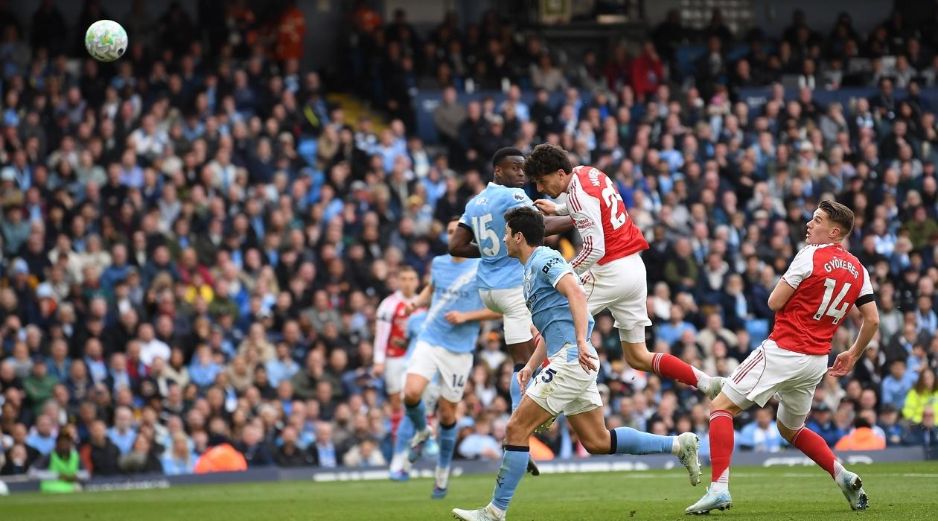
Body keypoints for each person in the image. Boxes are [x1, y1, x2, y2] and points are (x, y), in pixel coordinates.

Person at [452, 207, 700, 521]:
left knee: (516, 428)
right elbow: (556, 324)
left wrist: (582, 341)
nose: (503, 239)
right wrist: (530, 365)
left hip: (572, 359)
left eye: (506, 233)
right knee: (597, 441)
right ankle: (679, 445)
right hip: (571, 358)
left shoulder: (546, 259)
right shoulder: (530, 268)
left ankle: (494, 511)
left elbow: (576, 295)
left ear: (518, 236)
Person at [686, 200, 878, 514]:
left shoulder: (809, 255)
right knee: (791, 429)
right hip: (816, 361)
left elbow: (775, 301)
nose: (809, 224)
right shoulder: (859, 269)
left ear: (834, 232)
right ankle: (843, 475)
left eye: (817, 221)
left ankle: (719, 489)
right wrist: (854, 354)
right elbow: (872, 320)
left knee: (720, 407)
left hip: (784, 350)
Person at [526, 143, 721, 398]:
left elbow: (594, 249)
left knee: (548, 323)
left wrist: (564, 274)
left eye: (542, 181)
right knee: (638, 356)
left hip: (611, 271)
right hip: (635, 269)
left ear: (560, 174)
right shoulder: (589, 172)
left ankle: (544, 401)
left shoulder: (577, 195)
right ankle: (707, 382)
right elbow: (593, 207)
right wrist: (560, 209)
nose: (541, 188)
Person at [448, 147, 572, 474]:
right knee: (525, 364)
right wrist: (578, 219)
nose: (521, 173)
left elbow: (456, 246)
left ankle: (525, 426)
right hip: (512, 289)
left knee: (534, 352)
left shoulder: (475, 202)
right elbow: (539, 227)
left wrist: (493, 253)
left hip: (488, 289)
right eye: (514, 167)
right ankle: (519, 437)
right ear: (497, 171)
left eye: (523, 168)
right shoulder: (514, 194)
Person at [395, 217, 501, 498]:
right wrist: (415, 304)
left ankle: (442, 472)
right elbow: (432, 289)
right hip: (431, 338)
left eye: (459, 232)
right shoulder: (439, 263)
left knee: (447, 413)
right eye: (451, 231)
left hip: (459, 350)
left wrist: (467, 316)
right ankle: (421, 432)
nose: (454, 236)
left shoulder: (481, 268)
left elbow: (500, 309)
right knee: (411, 393)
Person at [373, 265, 420, 438]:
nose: (407, 283)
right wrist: (378, 360)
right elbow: (381, 334)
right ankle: (397, 440)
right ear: (398, 282)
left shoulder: (422, 304)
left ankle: (417, 437)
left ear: (417, 282)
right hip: (395, 357)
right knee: (395, 401)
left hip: (417, 359)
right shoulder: (388, 304)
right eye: (404, 279)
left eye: (411, 279)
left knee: (416, 398)